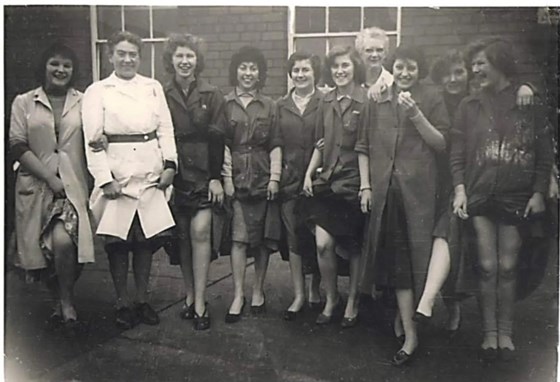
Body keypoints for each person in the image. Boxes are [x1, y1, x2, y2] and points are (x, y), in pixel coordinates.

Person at [413, 49, 536, 337]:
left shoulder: (478, 97)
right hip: (438, 178)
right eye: (446, 75)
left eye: (459, 72)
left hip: (473, 181)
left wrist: (529, 85)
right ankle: (441, 303)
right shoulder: (436, 100)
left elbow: (513, 88)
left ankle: (433, 302)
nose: (453, 79)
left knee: (451, 231)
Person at [450, 38, 552, 361]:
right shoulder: (469, 105)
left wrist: (537, 191)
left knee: (508, 267)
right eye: (474, 64)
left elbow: (544, 152)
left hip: (516, 197)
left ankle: (506, 331)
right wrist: (460, 189)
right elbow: (457, 153)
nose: (475, 69)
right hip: (480, 194)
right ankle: (489, 332)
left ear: (499, 64)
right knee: (486, 265)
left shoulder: (527, 101)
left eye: (481, 63)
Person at [356, 45, 450, 366]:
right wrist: (366, 186)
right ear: (391, 67)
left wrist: (416, 114)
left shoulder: (432, 96)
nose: (405, 73)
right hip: (386, 195)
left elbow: (440, 143)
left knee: (414, 261)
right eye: (399, 67)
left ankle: (408, 323)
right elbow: (364, 145)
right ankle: (410, 330)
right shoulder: (378, 96)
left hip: (419, 195)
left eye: (411, 67)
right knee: (397, 265)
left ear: (420, 70)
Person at [82, 31, 177, 330]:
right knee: (118, 243)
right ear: (110, 55)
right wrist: (104, 179)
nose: (127, 59)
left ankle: (141, 300)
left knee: (146, 243)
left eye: (132, 54)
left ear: (139, 56)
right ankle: (122, 301)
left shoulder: (152, 87)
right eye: (121, 53)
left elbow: (165, 129)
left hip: (149, 174)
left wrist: (170, 165)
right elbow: (92, 139)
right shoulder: (98, 91)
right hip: (117, 178)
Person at [9, 43, 95, 336]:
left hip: (73, 185)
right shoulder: (24, 102)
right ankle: (56, 297)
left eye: (67, 66)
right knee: (42, 249)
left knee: (64, 242)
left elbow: (96, 134)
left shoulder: (84, 101)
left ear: (73, 71)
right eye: (54, 64)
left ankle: (67, 301)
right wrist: (49, 177)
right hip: (37, 185)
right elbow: (17, 145)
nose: (60, 70)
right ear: (44, 67)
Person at [302, 45, 371, 328]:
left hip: (354, 184)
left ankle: (352, 300)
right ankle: (332, 298)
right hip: (327, 182)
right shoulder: (326, 101)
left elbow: (368, 145)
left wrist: (366, 185)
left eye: (345, 66)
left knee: (354, 247)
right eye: (336, 67)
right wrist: (308, 174)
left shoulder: (366, 100)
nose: (340, 71)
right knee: (323, 244)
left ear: (355, 68)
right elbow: (320, 143)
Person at [162, 33, 226, 331]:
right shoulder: (160, 93)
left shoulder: (212, 94)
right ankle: (188, 296)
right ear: (171, 60)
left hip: (202, 171)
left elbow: (217, 137)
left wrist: (215, 178)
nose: (185, 61)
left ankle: (201, 302)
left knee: (201, 232)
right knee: (183, 237)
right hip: (175, 173)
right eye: (180, 56)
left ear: (198, 60)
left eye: (190, 56)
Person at [222, 46, 282, 323]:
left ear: (260, 74)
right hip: (236, 179)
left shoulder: (270, 106)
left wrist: (274, 179)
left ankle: (258, 290)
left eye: (253, 68)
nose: (248, 73)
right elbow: (222, 144)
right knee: (238, 240)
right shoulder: (224, 104)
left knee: (260, 241)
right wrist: (226, 179)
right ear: (235, 71)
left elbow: (275, 145)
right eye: (243, 67)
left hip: (261, 177)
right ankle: (238, 294)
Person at [276, 51, 323, 320]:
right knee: (293, 237)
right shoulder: (281, 105)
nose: (301, 75)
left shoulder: (324, 101)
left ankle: (315, 288)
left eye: (306, 69)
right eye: (296, 70)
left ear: (314, 72)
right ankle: (299, 294)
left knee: (316, 235)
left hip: (318, 179)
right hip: (290, 179)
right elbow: (275, 141)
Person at [355, 26, 394, 100]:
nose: (374, 55)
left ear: (385, 53)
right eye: (369, 50)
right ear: (360, 53)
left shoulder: (392, 82)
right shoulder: (353, 83)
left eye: (379, 50)